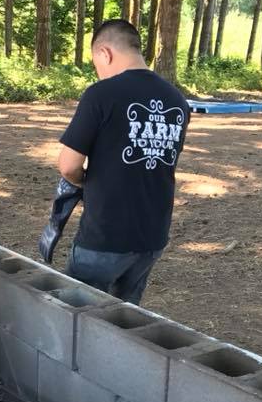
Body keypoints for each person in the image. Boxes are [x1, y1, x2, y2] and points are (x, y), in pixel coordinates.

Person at [38, 18, 189, 305]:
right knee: (125, 323)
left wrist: (84, 183)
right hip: (152, 237)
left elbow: (68, 165)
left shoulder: (101, 94)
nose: (99, 72)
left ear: (104, 53)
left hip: (105, 235)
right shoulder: (177, 101)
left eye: (97, 64)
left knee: (74, 319)